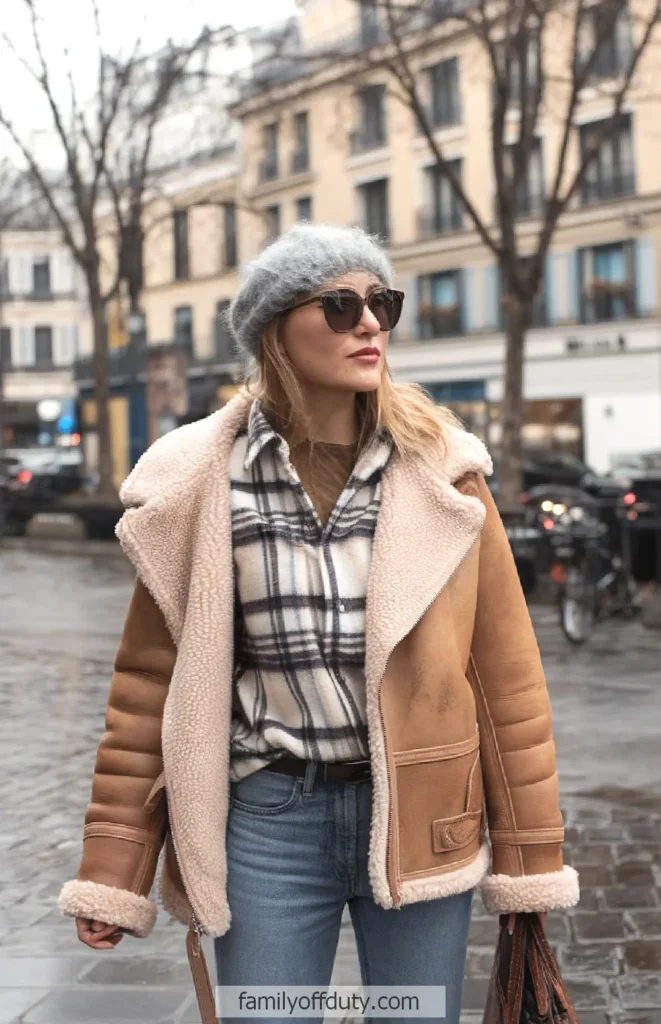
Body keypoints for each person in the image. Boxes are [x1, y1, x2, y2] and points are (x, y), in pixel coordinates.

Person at [58, 224, 579, 1023]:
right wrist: (116, 868)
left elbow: (506, 683)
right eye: (339, 305)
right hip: (266, 822)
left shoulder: (444, 476)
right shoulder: (201, 487)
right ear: (275, 328)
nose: (369, 322)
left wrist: (529, 865)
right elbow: (146, 692)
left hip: (421, 813)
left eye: (381, 303)